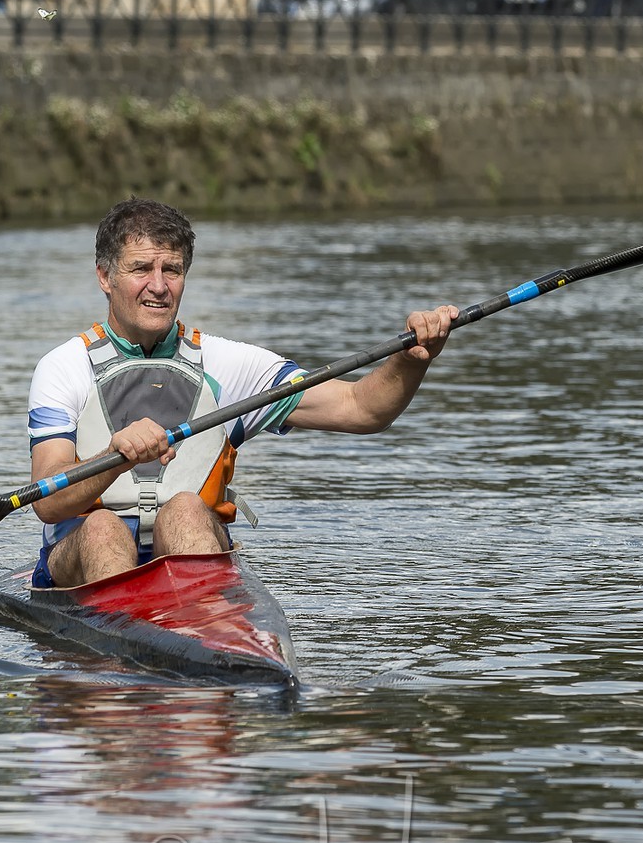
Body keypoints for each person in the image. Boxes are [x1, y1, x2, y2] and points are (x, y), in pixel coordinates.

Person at [26, 197, 457, 588]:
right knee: (103, 528)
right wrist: (112, 458)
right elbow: (48, 501)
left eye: (172, 270)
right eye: (141, 269)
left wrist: (412, 358)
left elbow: (360, 408)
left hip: (191, 540)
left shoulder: (229, 364)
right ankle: (123, 633)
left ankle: (201, 627)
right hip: (82, 554)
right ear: (105, 276)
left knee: (185, 510)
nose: (158, 286)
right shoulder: (64, 367)